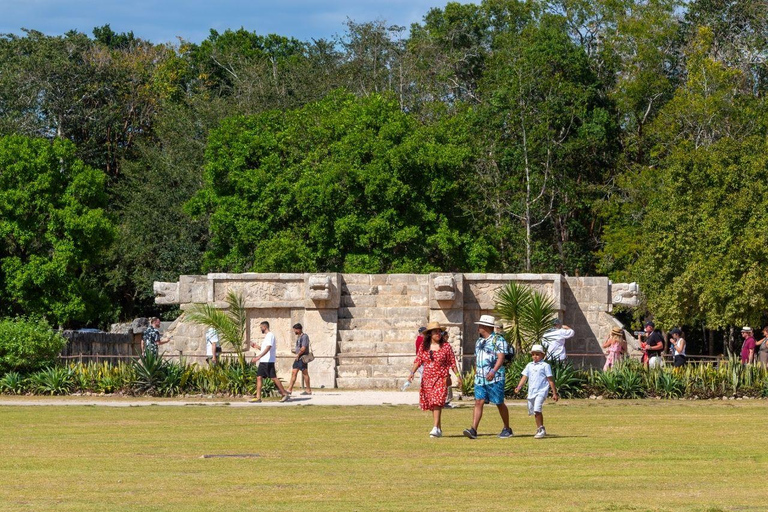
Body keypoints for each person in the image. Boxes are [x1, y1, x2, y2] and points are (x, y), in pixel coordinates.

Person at [407, 321, 461, 438]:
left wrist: (458, 376)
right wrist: (412, 373)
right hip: (427, 378)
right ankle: (438, 428)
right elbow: (418, 360)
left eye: (439, 331)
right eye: (435, 332)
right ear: (430, 334)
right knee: (432, 403)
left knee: (437, 401)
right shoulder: (424, 347)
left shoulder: (446, 346)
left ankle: (435, 427)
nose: (438, 333)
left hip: (441, 378)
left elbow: (452, 362)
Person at [463, 314, 513, 440]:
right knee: (478, 402)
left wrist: (493, 371)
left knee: (499, 402)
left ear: (485, 327)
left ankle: (507, 428)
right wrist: (476, 372)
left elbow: (501, 357)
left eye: (480, 325)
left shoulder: (498, 340)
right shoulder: (479, 341)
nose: (478, 328)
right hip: (480, 378)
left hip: (495, 377)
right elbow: (478, 358)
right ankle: (473, 429)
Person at [514, 344, 559, 438]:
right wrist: (519, 387)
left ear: (542, 355)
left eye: (537, 354)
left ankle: (541, 429)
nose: (535, 356)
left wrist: (554, 392)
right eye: (533, 354)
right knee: (533, 411)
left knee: (537, 409)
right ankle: (539, 427)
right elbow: (524, 377)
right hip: (532, 391)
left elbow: (550, 379)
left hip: (542, 391)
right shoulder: (529, 365)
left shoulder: (545, 366)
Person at [249, 321, 290, 403]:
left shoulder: (270, 335)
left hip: (268, 361)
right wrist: (256, 346)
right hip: (263, 361)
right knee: (259, 377)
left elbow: (268, 348)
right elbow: (264, 348)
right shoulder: (267, 336)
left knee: (273, 378)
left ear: (265, 327)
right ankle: (258, 397)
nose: (261, 329)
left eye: (261, 327)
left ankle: (284, 393)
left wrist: (258, 357)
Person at [287, 323, 312, 395]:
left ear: (298, 329)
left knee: (305, 374)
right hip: (298, 358)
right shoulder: (299, 337)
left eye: (295, 330)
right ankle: (289, 389)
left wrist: (298, 355)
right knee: (294, 372)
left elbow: (303, 348)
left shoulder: (304, 337)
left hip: (302, 358)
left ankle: (308, 390)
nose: (294, 331)